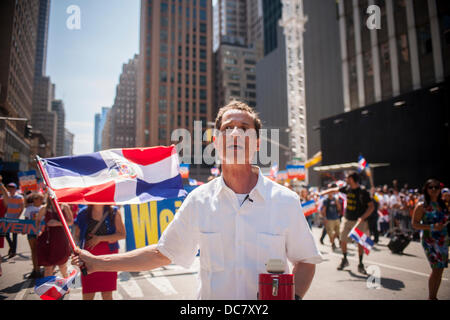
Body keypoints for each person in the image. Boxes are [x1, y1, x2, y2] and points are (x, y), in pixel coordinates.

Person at [72, 100, 323, 300]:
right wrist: (96, 263)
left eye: (244, 128)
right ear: (216, 142)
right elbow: (163, 253)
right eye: (227, 128)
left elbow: (305, 261)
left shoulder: (286, 200)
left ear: (257, 143)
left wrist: (294, 298)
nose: (235, 132)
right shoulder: (198, 200)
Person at [321, 172, 374, 274]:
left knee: (360, 243)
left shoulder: (363, 192)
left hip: (359, 221)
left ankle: (360, 264)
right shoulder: (347, 188)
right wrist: (323, 193)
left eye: (348, 178)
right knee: (342, 240)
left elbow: (371, 207)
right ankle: (345, 259)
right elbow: (334, 190)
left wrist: (363, 217)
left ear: (353, 179)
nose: (346, 179)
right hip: (347, 219)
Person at [74, 205, 126, 300]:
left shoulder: (114, 211)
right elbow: (76, 236)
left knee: (107, 295)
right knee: (88, 294)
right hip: (88, 257)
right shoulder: (83, 213)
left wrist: (100, 239)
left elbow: (122, 235)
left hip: (109, 257)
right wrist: (76, 251)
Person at [411, 179, 449, 300]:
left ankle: (434, 296)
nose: (433, 190)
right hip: (430, 240)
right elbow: (415, 224)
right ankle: (431, 297)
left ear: (440, 190)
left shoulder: (444, 204)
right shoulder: (422, 206)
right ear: (426, 190)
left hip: (443, 239)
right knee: (436, 267)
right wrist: (432, 227)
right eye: (430, 187)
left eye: (436, 188)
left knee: (441, 269)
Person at [37, 196, 73, 278]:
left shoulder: (65, 206)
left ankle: (66, 285)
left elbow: (71, 222)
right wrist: (39, 230)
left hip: (61, 239)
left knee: (62, 266)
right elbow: (37, 221)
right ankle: (48, 288)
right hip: (48, 239)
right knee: (48, 267)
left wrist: (57, 223)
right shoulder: (44, 208)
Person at [0, 176, 25, 258]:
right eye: (9, 187)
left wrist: (18, 216)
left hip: (15, 219)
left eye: (12, 187)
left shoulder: (19, 197)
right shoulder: (5, 197)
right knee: (6, 235)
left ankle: (13, 251)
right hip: (6, 218)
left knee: (14, 235)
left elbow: (22, 207)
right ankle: (11, 247)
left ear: (15, 188)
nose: (11, 189)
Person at [23, 192, 45, 278]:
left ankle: (40, 269)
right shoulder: (29, 209)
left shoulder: (43, 208)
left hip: (41, 232)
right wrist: (24, 229)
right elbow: (26, 220)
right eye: (36, 198)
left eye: (40, 198)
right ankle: (36, 270)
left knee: (40, 251)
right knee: (33, 251)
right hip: (31, 232)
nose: (38, 200)